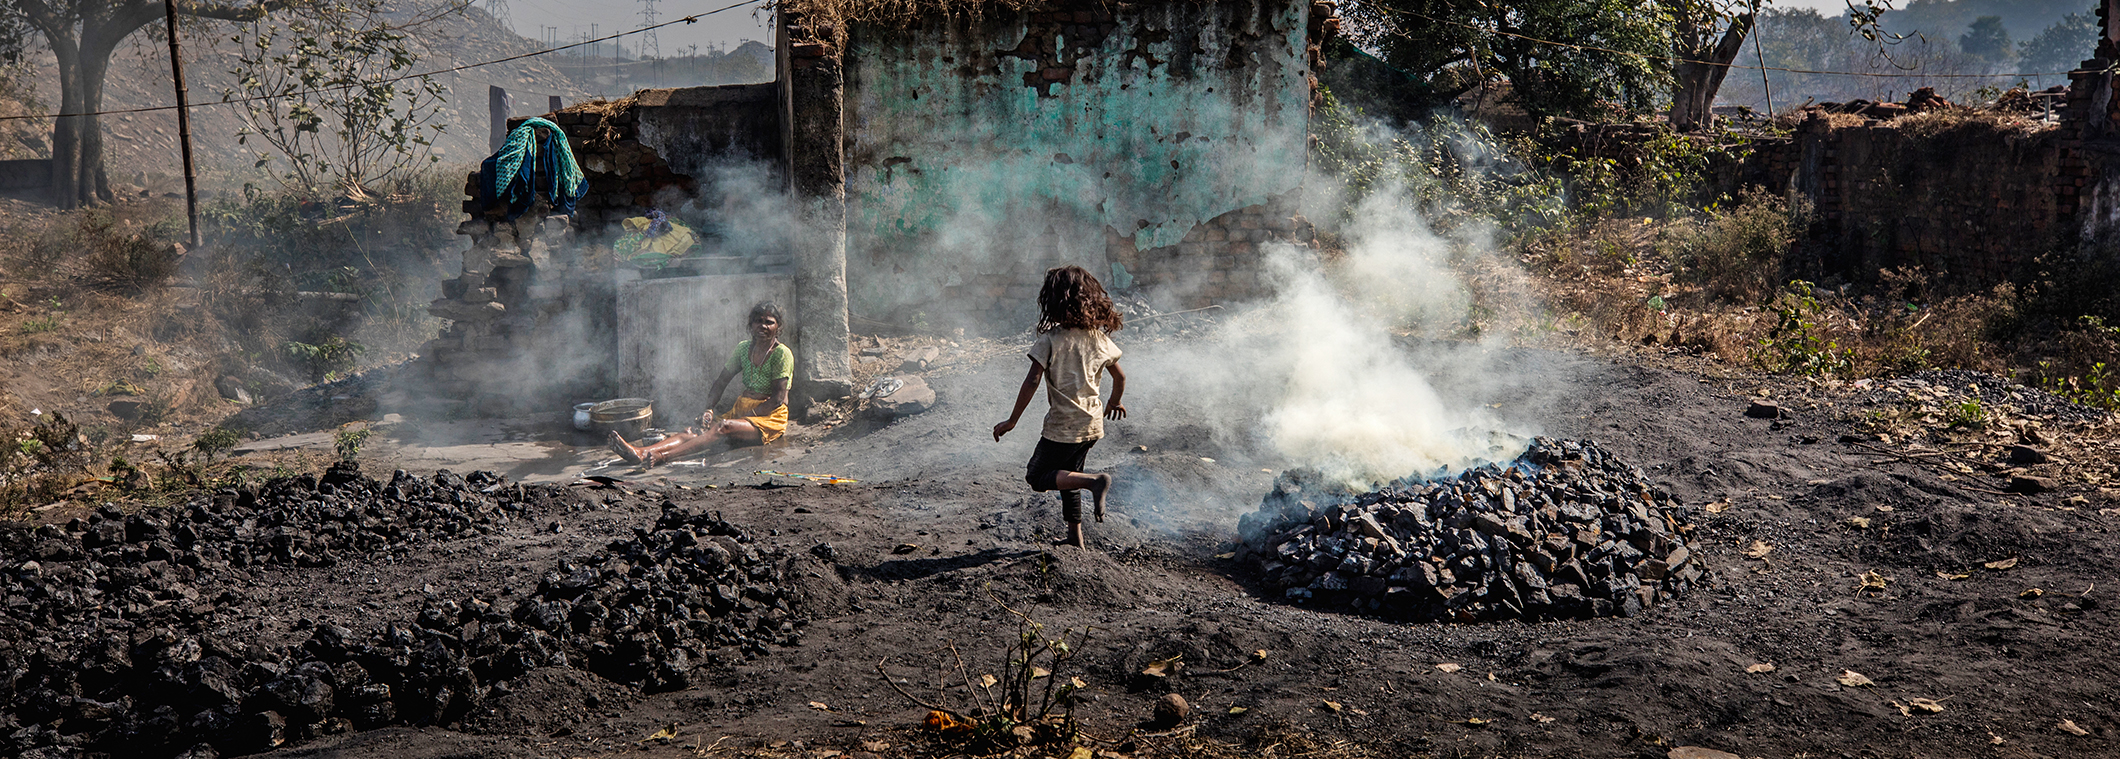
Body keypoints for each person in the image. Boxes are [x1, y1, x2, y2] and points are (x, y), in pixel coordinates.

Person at [992, 265, 1128, 548]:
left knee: (1036, 475)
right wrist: (1114, 401)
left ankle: (1094, 482)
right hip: (1092, 424)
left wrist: (1012, 420)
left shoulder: (1051, 341)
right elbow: (1120, 377)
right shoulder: (1099, 339)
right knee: (1070, 476)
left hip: (1064, 426)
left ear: (1052, 302)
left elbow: (1032, 380)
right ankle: (1075, 537)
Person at [612, 301, 792, 466]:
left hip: (769, 417)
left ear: (778, 327)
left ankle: (663, 456)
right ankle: (642, 452)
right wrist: (709, 409)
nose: (763, 326)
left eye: (769, 322)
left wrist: (745, 416)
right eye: (758, 321)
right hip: (743, 409)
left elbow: (777, 399)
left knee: (723, 427)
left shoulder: (781, 354)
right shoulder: (744, 348)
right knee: (695, 430)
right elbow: (721, 381)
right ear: (751, 325)